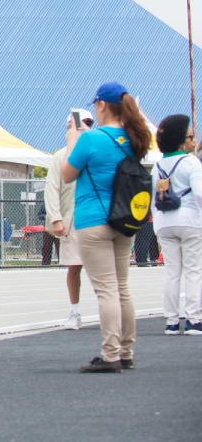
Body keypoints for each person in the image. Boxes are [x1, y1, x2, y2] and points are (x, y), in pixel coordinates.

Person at [61, 81, 152, 373]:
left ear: (101, 106)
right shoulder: (133, 139)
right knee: (122, 288)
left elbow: (67, 174)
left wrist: (73, 140)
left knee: (106, 291)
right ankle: (126, 351)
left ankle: (110, 354)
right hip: (123, 219)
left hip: (93, 220)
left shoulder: (91, 140)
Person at [150, 114, 202, 335]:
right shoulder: (191, 162)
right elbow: (199, 194)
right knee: (193, 271)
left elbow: (153, 197)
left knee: (172, 272)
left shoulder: (157, 166)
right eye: (191, 136)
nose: (193, 140)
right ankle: (193, 319)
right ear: (182, 141)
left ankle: (171, 321)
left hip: (164, 222)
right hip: (190, 221)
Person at [46, 110, 93, 329]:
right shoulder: (60, 157)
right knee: (74, 267)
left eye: (89, 124)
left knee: (104, 269)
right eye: (75, 125)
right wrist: (56, 218)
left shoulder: (97, 153)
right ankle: (75, 312)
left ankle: (112, 310)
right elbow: (52, 188)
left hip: (97, 218)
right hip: (72, 219)